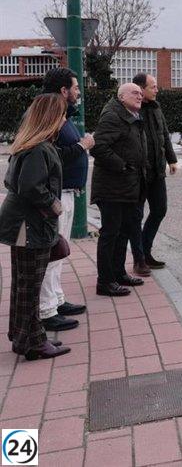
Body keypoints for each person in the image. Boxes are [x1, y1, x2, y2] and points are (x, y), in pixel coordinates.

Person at [0, 94, 72, 360]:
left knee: (22, 284)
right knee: (29, 286)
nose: (65, 120)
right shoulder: (39, 148)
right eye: (62, 114)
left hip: (21, 223)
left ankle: (22, 336)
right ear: (51, 116)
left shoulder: (29, 144)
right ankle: (33, 341)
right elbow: (31, 187)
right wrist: (54, 204)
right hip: (30, 225)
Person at [38, 67, 95, 332]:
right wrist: (82, 146)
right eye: (75, 87)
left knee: (59, 252)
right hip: (56, 196)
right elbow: (51, 156)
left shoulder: (61, 115)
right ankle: (47, 310)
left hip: (66, 192)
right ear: (63, 91)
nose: (78, 91)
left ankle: (57, 300)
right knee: (52, 253)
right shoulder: (49, 117)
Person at [90, 83, 149, 297]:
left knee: (123, 232)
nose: (140, 96)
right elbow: (98, 146)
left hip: (127, 186)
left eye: (141, 94)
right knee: (110, 234)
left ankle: (118, 273)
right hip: (112, 187)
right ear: (121, 96)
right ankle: (104, 281)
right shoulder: (112, 115)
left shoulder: (130, 115)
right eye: (135, 93)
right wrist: (122, 165)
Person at [128, 73, 178, 276]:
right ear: (141, 89)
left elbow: (164, 134)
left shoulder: (156, 108)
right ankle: (139, 259)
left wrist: (171, 159)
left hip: (157, 171)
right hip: (140, 173)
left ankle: (145, 251)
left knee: (159, 209)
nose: (157, 90)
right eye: (153, 86)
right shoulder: (133, 110)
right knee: (136, 215)